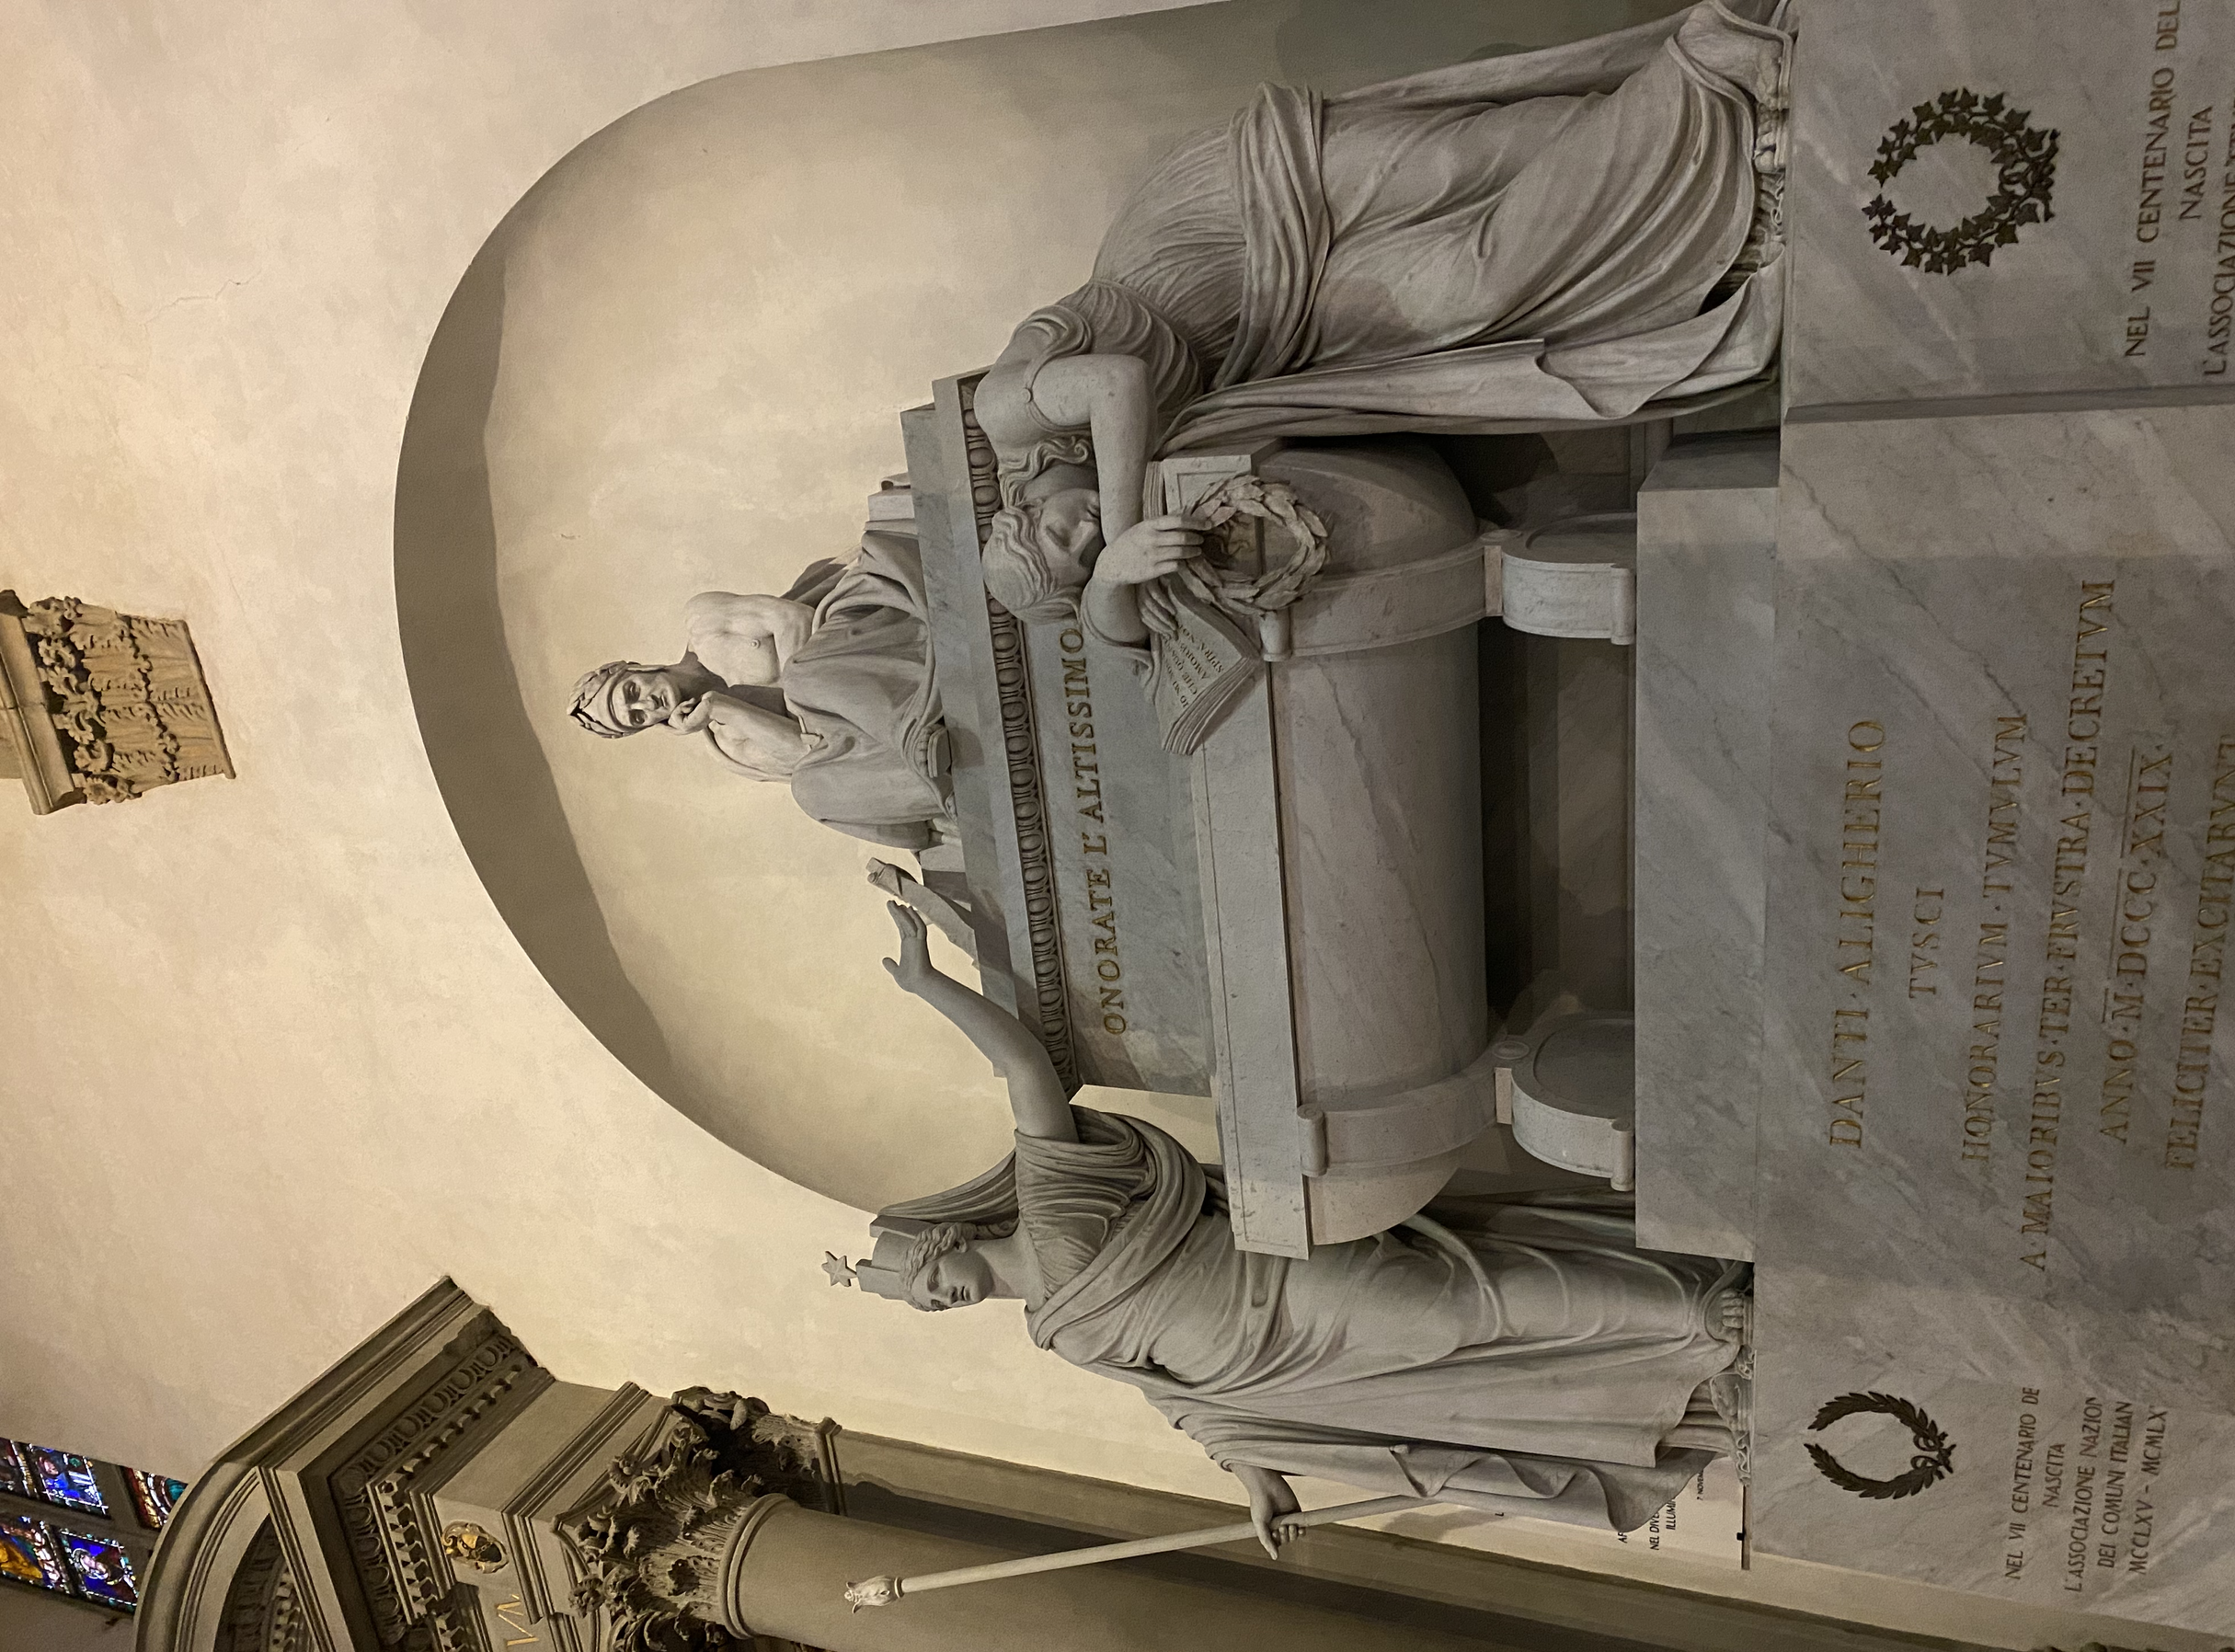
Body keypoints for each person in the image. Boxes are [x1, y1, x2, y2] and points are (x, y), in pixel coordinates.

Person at [825, 902, 1751, 1555]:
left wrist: (927, 986)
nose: (937, 1300)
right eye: (925, 1307)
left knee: (1467, 1309)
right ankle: (1687, 1355)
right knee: (1480, 1363)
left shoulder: (1051, 1205)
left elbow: (1027, 1073)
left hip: (1295, 1291)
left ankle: (1699, 1309)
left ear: (946, 1239)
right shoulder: (1054, 1332)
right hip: (1291, 1381)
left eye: (924, 1282)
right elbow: (1176, 1393)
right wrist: (1254, 1475)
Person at [969, 0, 1795, 635]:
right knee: (1474, 281)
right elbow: (1116, 636)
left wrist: (1118, 537)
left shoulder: (1005, 414)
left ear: (1023, 510)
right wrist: (1113, 579)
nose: (1082, 534)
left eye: (1056, 533)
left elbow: (1119, 382)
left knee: (1470, 152)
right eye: (1080, 559)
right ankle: (1710, 138)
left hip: (1233, 211)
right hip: (1279, 331)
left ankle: (1733, 99)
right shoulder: (1108, 539)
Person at [568, 525, 951, 852]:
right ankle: (933, 771)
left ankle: (915, 735)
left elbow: (793, 618)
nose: (647, 705)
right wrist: (723, 708)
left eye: (632, 691)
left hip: (868, 636)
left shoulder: (704, 623)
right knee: (809, 791)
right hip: (864, 725)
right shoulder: (729, 743)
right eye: (637, 718)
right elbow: (809, 755)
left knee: (804, 679)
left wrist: (802, 705)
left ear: (637, 667)